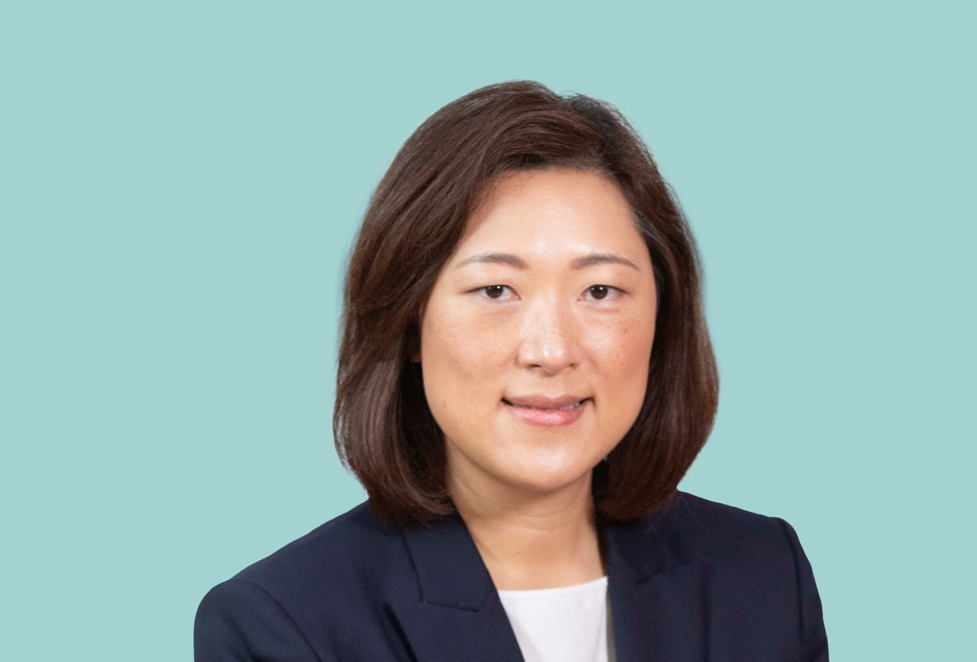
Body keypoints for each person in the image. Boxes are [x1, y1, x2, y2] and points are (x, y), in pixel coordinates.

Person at [193, 80, 829, 662]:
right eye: (496, 290)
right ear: (409, 322)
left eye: (601, 291)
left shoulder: (763, 575)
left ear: (664, 317)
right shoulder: (282, 625)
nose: (551, 351)